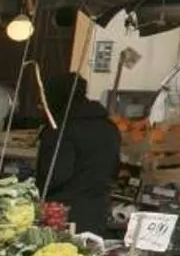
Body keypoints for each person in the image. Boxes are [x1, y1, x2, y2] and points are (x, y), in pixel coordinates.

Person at [34, 75, 120, 237]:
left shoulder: (60, 130)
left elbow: (54, 176)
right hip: (97, 211)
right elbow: (114, 169)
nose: (40, 105)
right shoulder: (109, 127)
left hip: (62, 215)